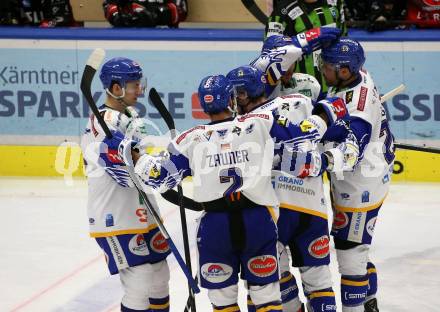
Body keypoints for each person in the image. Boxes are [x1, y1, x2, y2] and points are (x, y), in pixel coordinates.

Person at [103, 71, 349, 311]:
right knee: (266, 299)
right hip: (257, 222)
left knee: (223, 302)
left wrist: (132, 154)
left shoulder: (191, 138)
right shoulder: (259, 122)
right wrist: (325, 114)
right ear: (231, 100)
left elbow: (158, 178)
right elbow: (300, 135)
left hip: (215, 227)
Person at [226, 65, 355, 312]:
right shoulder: (300, 101)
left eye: (237, 94)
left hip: (272, 211)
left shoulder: (242, 124)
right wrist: (326, 159)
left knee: (268, 280)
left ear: (244, 94)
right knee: (319, 283)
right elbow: (340, 121)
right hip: (312, 208)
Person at [80, 57, 172, 312]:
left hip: (143, 211)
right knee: (140, 281)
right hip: (114, 214)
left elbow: (141, 160)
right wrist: (130, 153)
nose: (139, 89)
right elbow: (118, 165)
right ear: (116, 87)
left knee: (160, 276)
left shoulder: (130, 115)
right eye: (133, 84)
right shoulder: (101, 121)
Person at [320, 37, 395, 312]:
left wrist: (320, 160)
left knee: (350, 255)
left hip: (360, 185)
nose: (322, 69)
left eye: (327, 66)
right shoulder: (358, 75)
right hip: (366, 175)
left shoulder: (359, 111)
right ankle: (369, 301)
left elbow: (351, 155)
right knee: (354, 245)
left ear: (343, 71)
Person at [265, 0, 347, 93]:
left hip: (334, 88)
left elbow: (344, 41)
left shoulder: (336, 3)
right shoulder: (280, 13)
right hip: (299, 92)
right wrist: (302, 40)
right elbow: (270, 54)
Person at [103, 0, 187, 28]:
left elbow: (181, 11)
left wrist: (156, 16)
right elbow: (109, 6)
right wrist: (117, 16)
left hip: (165, 37)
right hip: (125, 34)